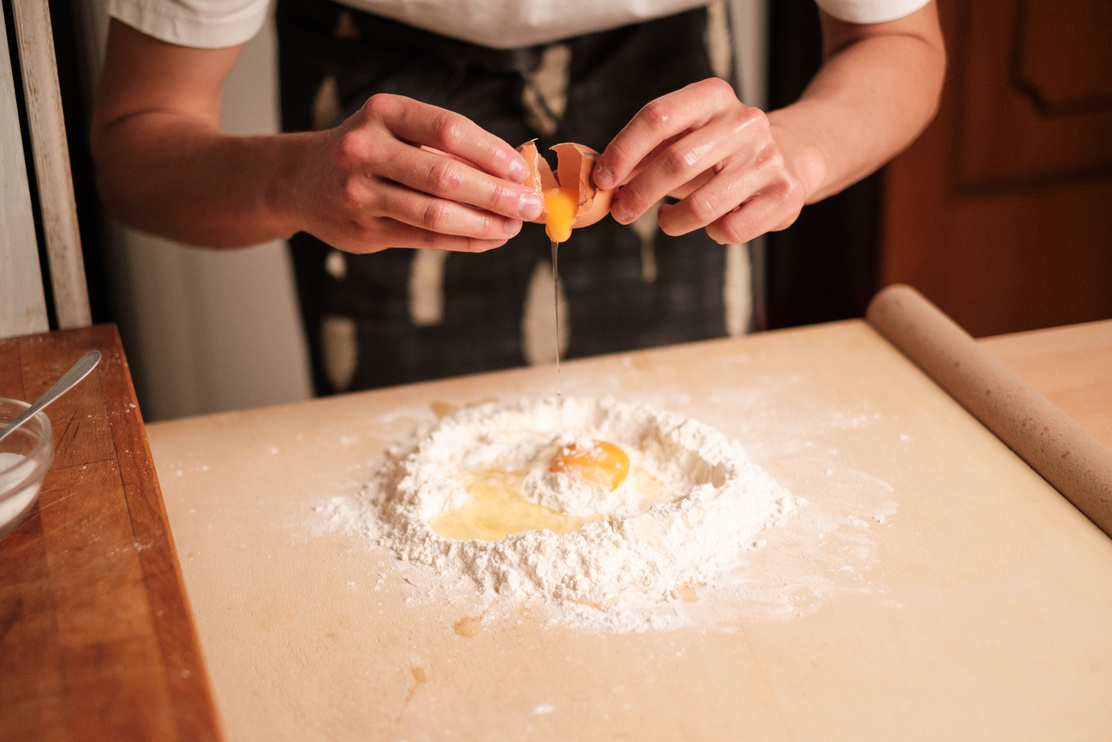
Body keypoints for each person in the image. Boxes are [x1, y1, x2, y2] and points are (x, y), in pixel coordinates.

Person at [91, 0, 945, 394]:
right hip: (378, 78)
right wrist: (292, 180)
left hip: (666, 75)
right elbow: (136, 143)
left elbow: (899, 39)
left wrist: (799, 148)